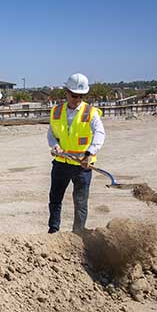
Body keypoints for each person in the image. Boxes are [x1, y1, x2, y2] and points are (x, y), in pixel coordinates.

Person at [47, 73, 106, 234]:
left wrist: (90, 152)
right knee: (55, 199)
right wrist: (54, 146)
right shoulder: (57, 111)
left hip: (82, 166)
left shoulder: (90, 112)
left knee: (80, 202)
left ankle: (78, 233)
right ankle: (53, 231)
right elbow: (51, 133)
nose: (77, 99)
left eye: (81, 96)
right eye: (74, 95)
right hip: (61, 163)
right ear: (66, 92)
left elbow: (100, 133)